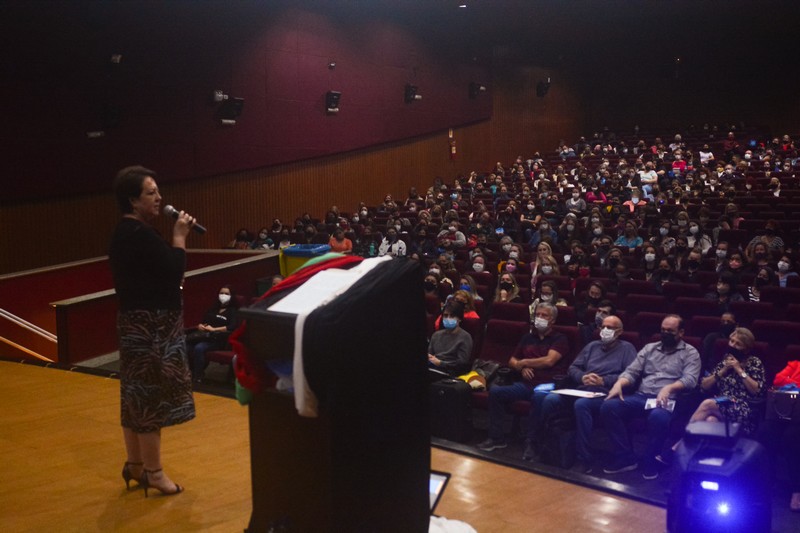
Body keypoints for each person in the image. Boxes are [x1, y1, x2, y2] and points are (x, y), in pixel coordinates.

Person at [109, 165, 195, 497]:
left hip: (135, 325)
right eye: (150, 192)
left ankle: (135, 465)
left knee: (135, 395)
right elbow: (173, 272)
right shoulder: (141, 235)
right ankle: (154, 473)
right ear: (133, 200)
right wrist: (179, 237)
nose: (159, 197)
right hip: (153, 330)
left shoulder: (123, 233)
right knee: (150, 398)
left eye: (158, 191)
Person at [599, 315, 701, 480]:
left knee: (658, 417)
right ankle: (626, 457)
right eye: (663, 330)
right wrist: (619, 383)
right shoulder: (649, 348)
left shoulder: (690, 353)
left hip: (669, 399)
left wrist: (669, 388)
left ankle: (651, 460)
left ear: (681, 332)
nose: (665, 334)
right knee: (609, 406)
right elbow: (632, 371)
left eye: (670, 331)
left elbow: (690, 380)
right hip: (642, 396)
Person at [533, 314, 637, 471]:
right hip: (582, 388)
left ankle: (584, 457)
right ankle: (541, 446)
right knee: (549, 399)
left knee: (581, 405)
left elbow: (631, 376)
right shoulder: (592, 346)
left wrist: (604, 380)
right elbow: (573, 368)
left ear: (620, 331)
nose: (605, 330)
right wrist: (582, 377)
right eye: (603, 327)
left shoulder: (627, 348)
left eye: (610, 328)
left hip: (606, 393)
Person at [477, 303, 569, 451]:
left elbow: (549, 360)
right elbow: (512, 361)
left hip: (548, 385)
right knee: (496, 392)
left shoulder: (560, 339)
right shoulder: (528, 338)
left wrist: (525, 362)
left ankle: (532, 442)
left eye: (544, 315)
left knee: (538, 397)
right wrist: (522, 368)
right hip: (526, 384)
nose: (539, 318)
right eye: (537, 315)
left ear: (552, 320)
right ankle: (496, 438)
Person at [688, 327, 765, 435]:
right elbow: (704, 386)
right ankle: (704, 446)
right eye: (732, 341)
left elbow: (757, 391)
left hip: (743, 407)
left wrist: (739, 370)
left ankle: (684, 439)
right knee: (711, 420)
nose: (732, 345)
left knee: (707, 404)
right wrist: (722, 371)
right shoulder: (725, 361)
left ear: (746, 349)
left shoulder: (754, 362)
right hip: (723, 403)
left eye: (738, 344)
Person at [186, 285, 240, 383]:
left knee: (199, 347)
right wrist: (201, 326)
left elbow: (232, 327)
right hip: (205, 336)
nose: (223, 295)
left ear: (231, 296)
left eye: (226, 294)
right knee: (188, 346)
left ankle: (198, 375)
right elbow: (204, 321)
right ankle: (189, 372)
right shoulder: (213, 308)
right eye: (221, 293)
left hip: (219, 339)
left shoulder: (233, 311)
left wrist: (214, 329)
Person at [428, 302, 473, 377]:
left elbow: (462, 364)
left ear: (459, 319)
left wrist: (440, 363)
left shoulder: (465, 337)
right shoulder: (436, 335)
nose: (448, 318)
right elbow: (430, 355)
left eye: (452, 316)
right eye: (445, 316)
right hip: (432, 368)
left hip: (450, 373)